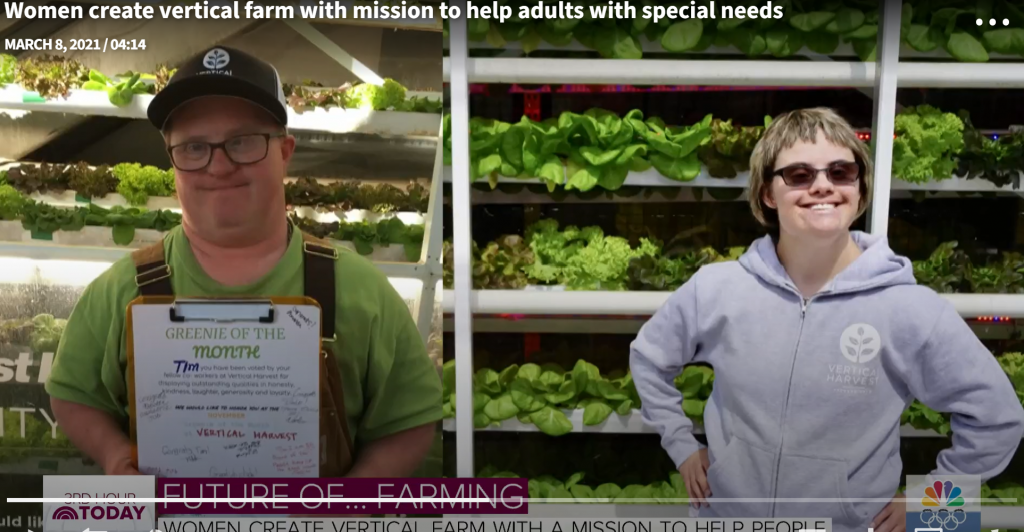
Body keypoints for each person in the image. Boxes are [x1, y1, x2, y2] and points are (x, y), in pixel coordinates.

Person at [45, 46, 442, 479]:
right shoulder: (123, 288)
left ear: (285, 151)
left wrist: (348, 505)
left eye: (243, 142)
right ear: (172, 160)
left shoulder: (360, 290)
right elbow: (73, 394)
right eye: (195, 147)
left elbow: (410, 419)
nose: (218, 166)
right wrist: (115, 455)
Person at [629, 107, 1024, 532]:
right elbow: (649, 359)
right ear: (767, 193)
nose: (823, 186)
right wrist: (682, 446)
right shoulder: (717, 288)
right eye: (798, 175)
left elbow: (998, 419)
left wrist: (930, 508)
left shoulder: (910, 309)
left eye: (841, 172)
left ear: (859, 188)